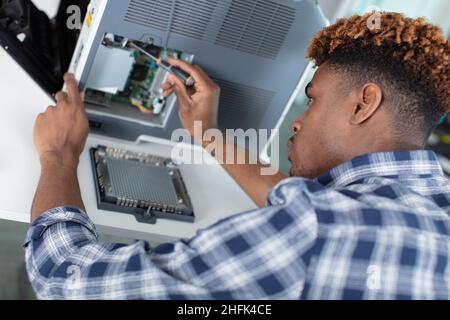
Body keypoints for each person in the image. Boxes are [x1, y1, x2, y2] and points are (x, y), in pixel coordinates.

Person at [25, 12, 449, 299]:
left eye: (312, 101)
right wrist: (208, 137)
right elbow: (307, 203)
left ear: (363, 104)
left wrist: (59, 154)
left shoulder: (312, 232)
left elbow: (64, 279)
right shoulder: (432, 203)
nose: (298, 123)